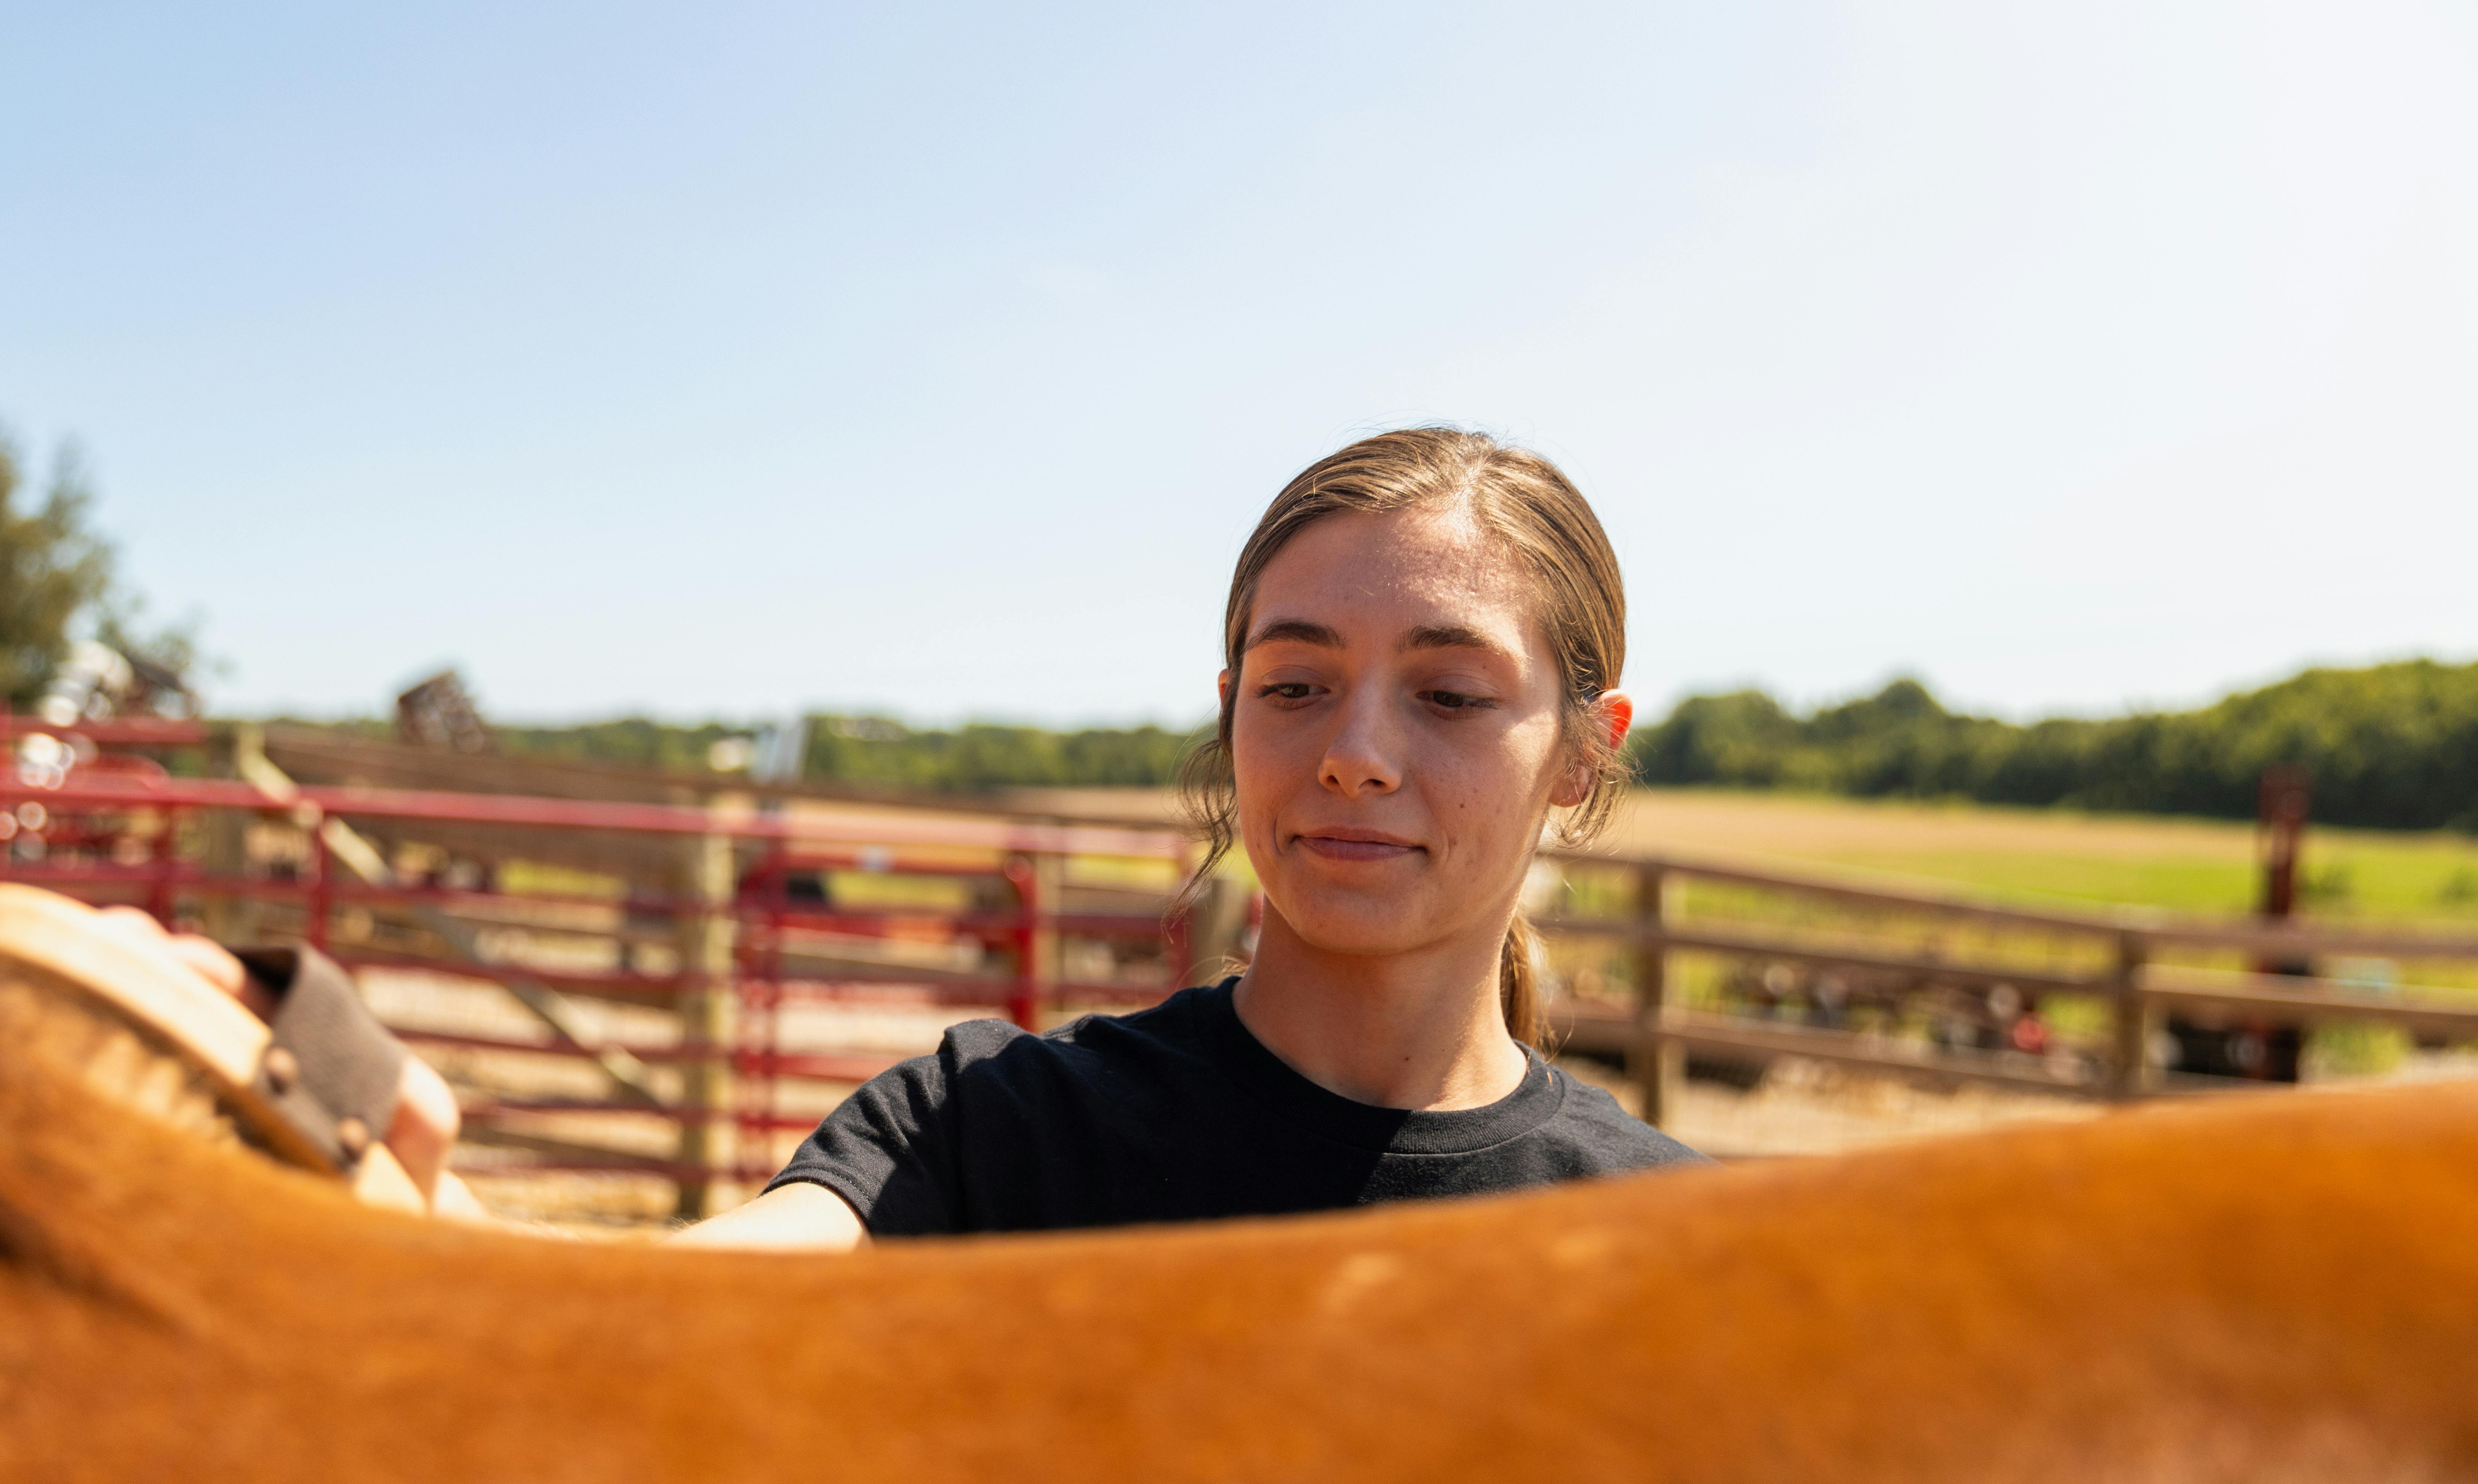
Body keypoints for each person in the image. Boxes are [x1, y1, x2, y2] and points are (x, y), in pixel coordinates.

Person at [140, 427, 1701, 1245]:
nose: (1354, 755)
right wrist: (360, 1122)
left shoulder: (1676, 1243)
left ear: (1583, 754)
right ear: (1230, 713)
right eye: (1295, 685)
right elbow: (669, 1316)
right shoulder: (992, 1131)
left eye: (1448, 695)